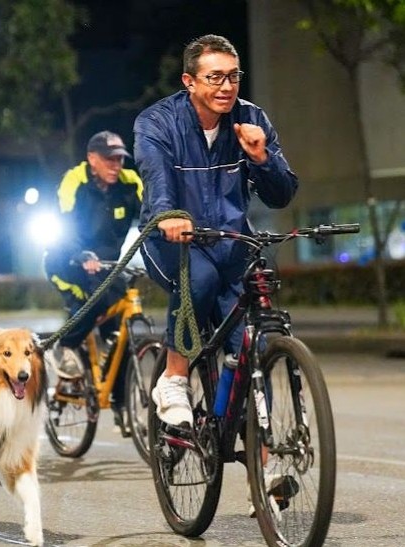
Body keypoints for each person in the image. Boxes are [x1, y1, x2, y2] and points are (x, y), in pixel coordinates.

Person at [133, 34, 299, 429]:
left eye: (233, 76)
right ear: (189, 81)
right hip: (168, 238)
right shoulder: (157, 122)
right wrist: (169, 215)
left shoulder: (252, 119)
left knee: (251, 346)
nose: (226, 87)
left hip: (229, 240)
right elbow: (157, 178)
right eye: (215, 77)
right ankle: (174, 378)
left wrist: (261, 158)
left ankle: (263, 455)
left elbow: (281, 196)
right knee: (200, 278)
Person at [43, 130, 143, 436]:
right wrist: (80, 253)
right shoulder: (75, 181)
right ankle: (68, 346)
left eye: (120, 159)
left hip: (107, 268)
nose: (116, 165)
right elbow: (64, 224)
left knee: (122, 334)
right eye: (109, 159)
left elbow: (153, 219)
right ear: (92, 159)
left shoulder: (130, 183)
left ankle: (122, 405)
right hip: (67, 261)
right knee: (96, 300)